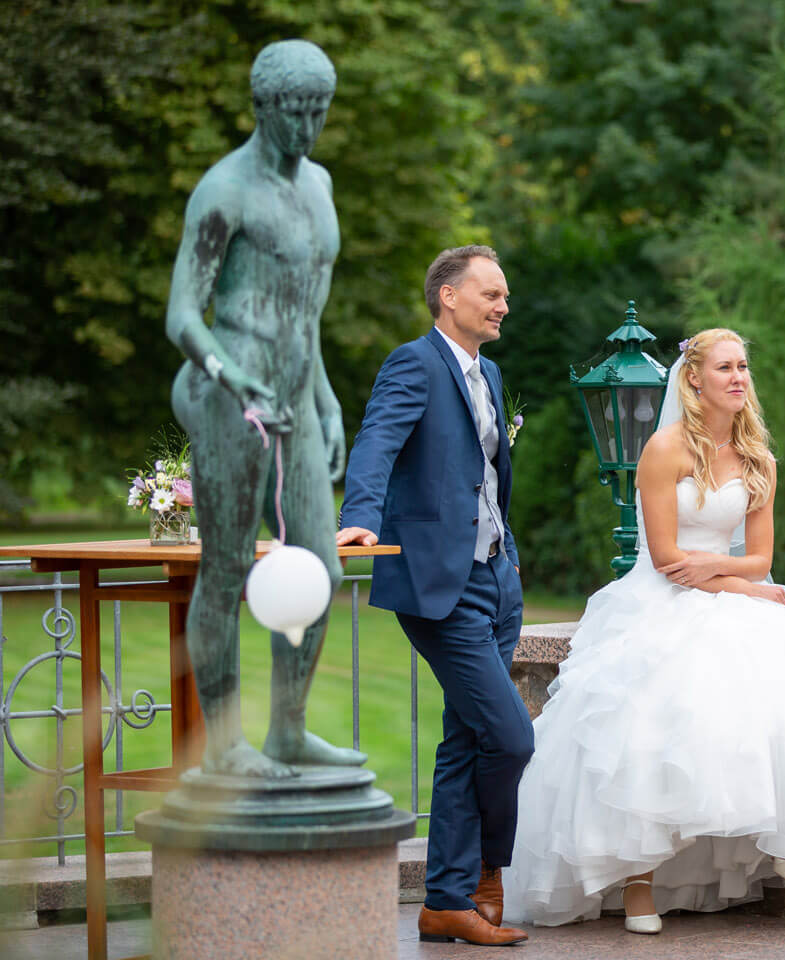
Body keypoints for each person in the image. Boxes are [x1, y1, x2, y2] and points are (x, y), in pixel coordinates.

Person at [504, 328, 785, 933]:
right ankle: (637, 883)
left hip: (721, 583)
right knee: (656, 702)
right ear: (693, 378)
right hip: (659, 596)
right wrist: (743, 585)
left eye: (743, 367)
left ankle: (781, 829)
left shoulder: (757, 455)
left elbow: (759, 558)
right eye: (724, 368)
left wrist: (727, 573)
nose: (738, 377)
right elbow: (666, 562)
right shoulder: (665, 450)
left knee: (783, 657)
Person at [167, 39, 364, 778]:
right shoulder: (224, 190)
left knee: (324, 570)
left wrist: (327, 398)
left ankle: (287, 730)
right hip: (229, 399)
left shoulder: (320, 184)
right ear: (263, 107)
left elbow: (304, 312)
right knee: (223, 570)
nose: (309, 126)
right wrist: (229, 375)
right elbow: (183, 314)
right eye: (295, 111)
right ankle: (224, 747)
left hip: (298, 399)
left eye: (320, 110)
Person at [338, 245, 530, 947]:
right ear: (449, 296)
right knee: (511, 738)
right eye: (492, 293)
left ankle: (443, 902)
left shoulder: (492, 373)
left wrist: (507, 554)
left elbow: (481, 474)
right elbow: (379, 439)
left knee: (465, 740)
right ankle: (485, 872)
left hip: (497, 580)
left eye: (505, 295)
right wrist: (358, 514)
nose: (503, 304)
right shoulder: (413, 363)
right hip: (440, 586)